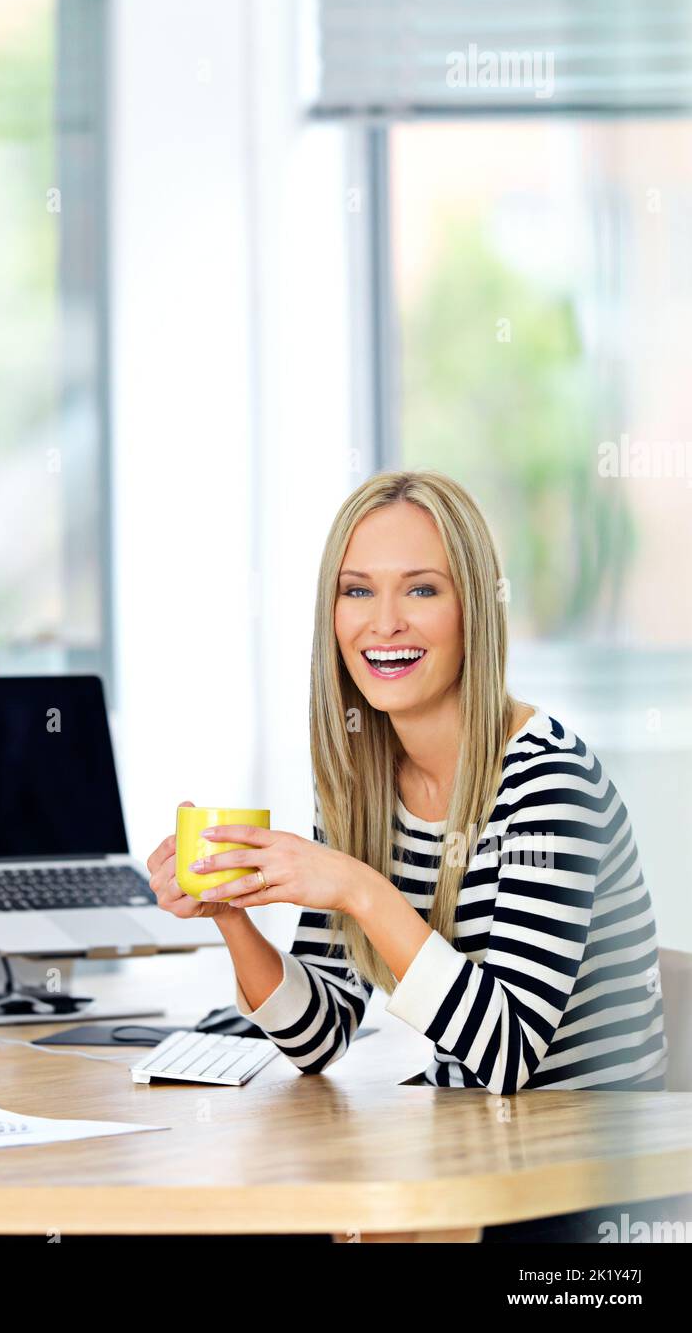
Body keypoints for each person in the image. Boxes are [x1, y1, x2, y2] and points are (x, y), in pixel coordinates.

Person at [146, 469, 678, 1243]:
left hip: (578, 1203)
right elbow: (319, 1035)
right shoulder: (361, 782)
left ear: (476, 612)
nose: (383, 623)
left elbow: (505, 1052)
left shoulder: (547, 782)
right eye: (357, 591)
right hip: (467, 1164)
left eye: (422, 590)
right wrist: (232, 919)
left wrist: (363, 890)